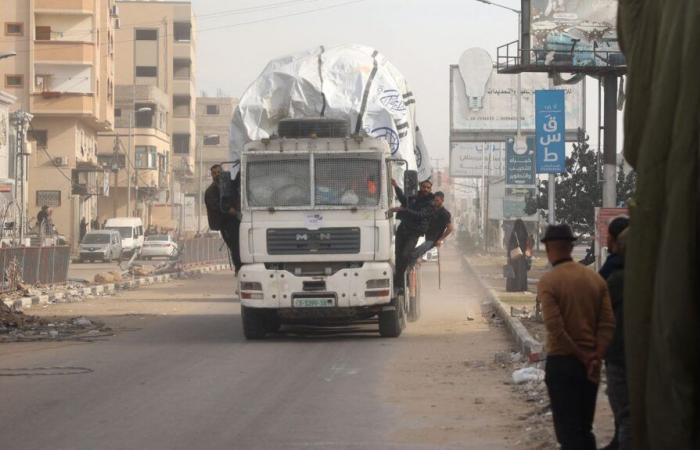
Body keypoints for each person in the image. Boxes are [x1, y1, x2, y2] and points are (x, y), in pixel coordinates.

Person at [538, 224, 615, 450]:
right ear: (571, 247)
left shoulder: (549, 282)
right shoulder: (595, 279)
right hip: (591, 366)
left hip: (562, 362)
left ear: (549, 248)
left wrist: (581, 356)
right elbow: (608, 324)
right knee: (584, 426)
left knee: (567, 431)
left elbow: (556, 329)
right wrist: (594, 356)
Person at [599, 218, 631, 450]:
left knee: (624, 405)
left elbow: (598, 298)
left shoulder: (617, 273)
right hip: (625, 347)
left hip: (620, 349)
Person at [388, 178, 435, 292]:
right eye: (424, 187)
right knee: (398, 257)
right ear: (420, 187)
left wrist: (403, 210)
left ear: (430, 189)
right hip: (403, 230)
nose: (425, 189)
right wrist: (396, 186)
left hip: (414, 233)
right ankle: (399, 284)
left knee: (405, 255)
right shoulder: (414, 197)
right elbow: (404, 200)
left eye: (428, 187)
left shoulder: (430, 203)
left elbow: (420, 215)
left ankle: (405, 280)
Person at [204, 164, 242, 274]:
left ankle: (241, 266)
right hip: (224, 223)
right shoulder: (210, 191)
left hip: (236, 219)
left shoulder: (228, 185)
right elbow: (216, 205)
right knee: (234, 245)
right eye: (214, 173)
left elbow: (237, 183)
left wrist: (241, 169)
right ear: (211, 175)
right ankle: (238, 267)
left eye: (219, 172)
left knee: (241, 244)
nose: (217, 175)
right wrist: (229, 210)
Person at [409, 191, 453, 264]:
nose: (435, 202)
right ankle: (413, 267)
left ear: (442, 200)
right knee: (413, 256)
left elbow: (450, 228)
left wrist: (440, 239)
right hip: (426, 237)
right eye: (434, 200)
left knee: (413, 255)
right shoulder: (433, 210)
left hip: (433, 240)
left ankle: (411, 268)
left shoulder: (444, 213)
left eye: (437, 201)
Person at [506, 219, 530, 292]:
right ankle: (522, 287)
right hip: (522, 257)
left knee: (513, 272)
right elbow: (528, 245)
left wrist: (508, 256)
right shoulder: (525, 234)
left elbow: (510, 245)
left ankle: (512, 287)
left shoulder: (514, 233)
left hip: (514, 256)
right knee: (522, 273)